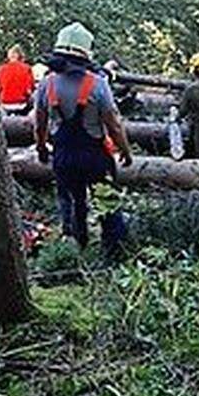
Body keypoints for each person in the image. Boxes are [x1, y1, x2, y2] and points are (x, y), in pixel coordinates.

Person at [34, 22, 134, 248]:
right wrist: (125, 152)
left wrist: (41, 148)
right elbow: (114, 124)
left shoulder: (46, 84)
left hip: (63, 155)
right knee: (106, 200)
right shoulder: (97, 84)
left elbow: (39, 124)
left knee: (72, 199)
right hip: (94, 156)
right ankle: (114, 248)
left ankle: (78, 242)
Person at [0, 44, 36, 114]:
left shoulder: (1, 69)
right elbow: (29, 90)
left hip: (5, 104)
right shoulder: (26, 68)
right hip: (22, 104)